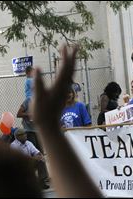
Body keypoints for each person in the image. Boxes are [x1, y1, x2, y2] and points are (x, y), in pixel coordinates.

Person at [32, 45, 102, 197]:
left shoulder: (80, 106)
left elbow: (88, 125)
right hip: (65, 143)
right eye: (66, 93)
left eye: (71, 93)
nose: (69, 95)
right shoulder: (60, 109)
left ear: (74, 94)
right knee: (67, 172)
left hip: (80, 144)